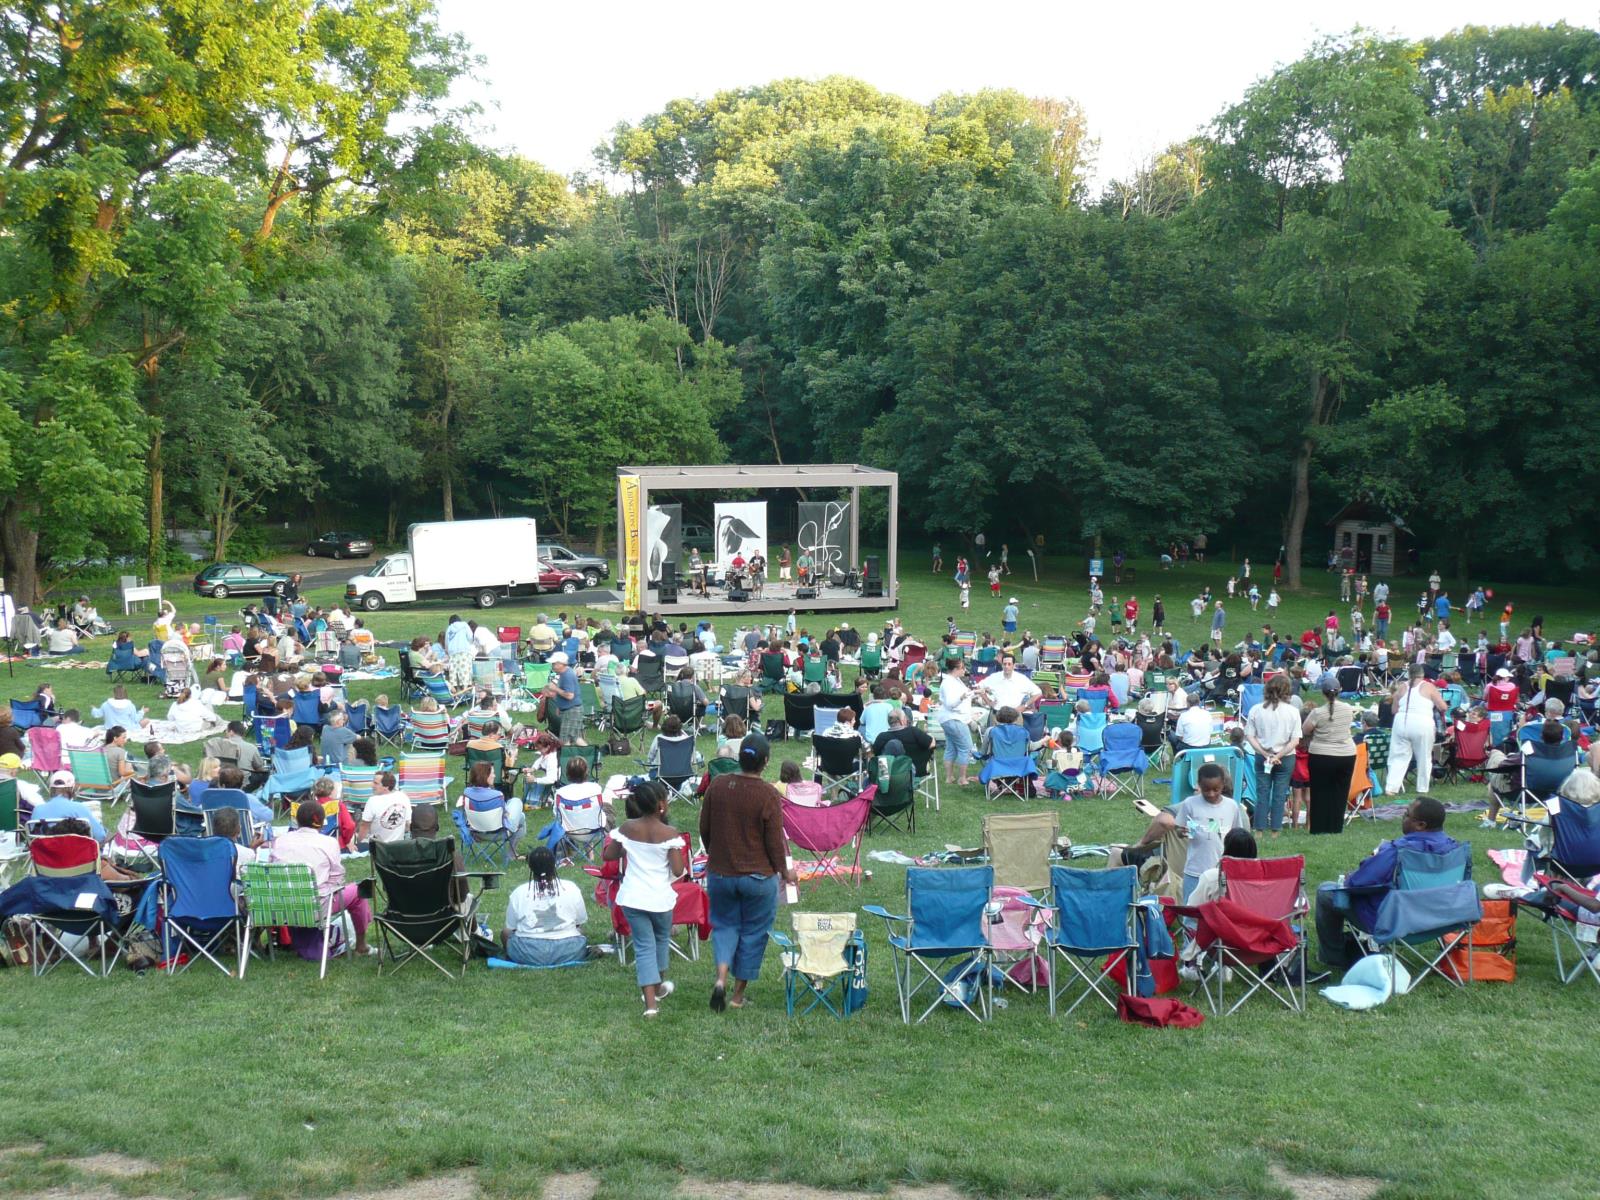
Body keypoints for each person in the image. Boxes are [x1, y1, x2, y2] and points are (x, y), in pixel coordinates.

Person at [699, 733, 795, 1012]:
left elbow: (705, 829)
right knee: (754, 932)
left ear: (739, 758)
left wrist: (717, 853)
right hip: (758, 877)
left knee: (725, 926)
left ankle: (720, 979)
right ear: (765, 762)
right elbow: (774, 842)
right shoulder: (768, 794)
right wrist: (785, 871)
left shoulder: (718, 785)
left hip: (721, 874)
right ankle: (737, 997)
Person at [1314, 797, 1457, 970]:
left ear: (1421, 825)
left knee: (1326, 892)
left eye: (1406, 814)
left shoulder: (1398, 851)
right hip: (1440, 920)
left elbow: (1358, 883)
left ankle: (1332, 957)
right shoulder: (1455, 850)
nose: (1402, 817)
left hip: (1396, 923)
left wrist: (1349, 877)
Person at [604, 779, 687, 1015]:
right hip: (660, 898)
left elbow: (610, 854)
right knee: (660, 941)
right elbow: (678, 870)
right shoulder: (669, 833)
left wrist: (625, 845)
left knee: (643, 947)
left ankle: (651, 1004)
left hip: (633, 897)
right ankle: (657, 988)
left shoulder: (628, 828)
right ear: (661, 804)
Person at [1122, 763, 1246, 901]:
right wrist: (1182, 832)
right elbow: (1179, 829)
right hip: (1195, 870)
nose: (1211, 794)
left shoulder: (1232, 806)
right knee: (1191, 907)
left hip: (1221, 871)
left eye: (1215, 789)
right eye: (1206, 790)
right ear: (1199, 785)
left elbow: (1237, 834)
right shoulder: (1190, 803)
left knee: (1219, 906)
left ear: (1223, 785)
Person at [271, 800, 373, 957]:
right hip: (315, 906)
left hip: (280, 907)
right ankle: (361, 945)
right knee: (359, 892)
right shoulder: (328, 842)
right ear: (321, 822)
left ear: (297, 820)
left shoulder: (280, 841)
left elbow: (272, 870)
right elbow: (337, 878)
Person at [500, 845, 591, 968]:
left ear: (530, 867)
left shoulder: (519, 892)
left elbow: (510, 928)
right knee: (581, 932)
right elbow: (579, 922)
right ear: (554, 865)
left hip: (527, 953)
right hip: (568, 952)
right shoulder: (571, 887)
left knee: (505, 933)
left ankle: (511, 957)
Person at [1244, 675, 1300, 837]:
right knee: (1280, 794)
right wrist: (1279, 755)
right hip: (1286, 757)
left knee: (1262, 792)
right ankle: (1275, 830)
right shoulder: (1293, 712)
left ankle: (1259, 830)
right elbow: (1295, 740)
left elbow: (1250, 736)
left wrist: (1264, 753)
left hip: (1263, 757)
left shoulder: (1256, 710)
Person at [1301, 674, 1357, 835]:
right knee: (1340, 792)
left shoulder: (1317, 713)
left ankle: (1319, 827)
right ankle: (1336, 826)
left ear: (1323, 693)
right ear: (1340, 690)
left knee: (1319, 792)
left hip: (1321, 754)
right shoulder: (1348, 709)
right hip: (1346, 754)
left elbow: (1305, 730)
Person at [1386, 663, 1447, 795]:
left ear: (1409, 674)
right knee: (1424, 756)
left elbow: (1394, 710)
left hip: (1401, 722)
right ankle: (1422, 788)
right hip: (1422, 722)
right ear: (1422, 674)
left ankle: (1391, 787)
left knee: (1398, 756)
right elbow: (1443, 707)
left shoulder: (1401, 687)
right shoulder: (1428, 686)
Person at [933, 661, 976, 787]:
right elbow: (951, 703)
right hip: (954, 719)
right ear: (956, 669)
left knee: (951, 747)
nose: (964, 670)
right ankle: (962, 778)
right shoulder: (948, 683)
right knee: (966, 748)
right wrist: (961, 698)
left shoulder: (955, 680)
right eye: (963, 668)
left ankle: (949, 777)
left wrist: (976, 692)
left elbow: (964, 695)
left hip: (950, 719)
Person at [357, 771, 411, 845]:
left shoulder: (373, 801)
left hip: (377, 846)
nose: (371, 785)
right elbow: (407, 825)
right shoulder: (403, 797)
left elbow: (364, 826)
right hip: (398, 845)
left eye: (376, 783)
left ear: (386, 787)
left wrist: (358, 842)